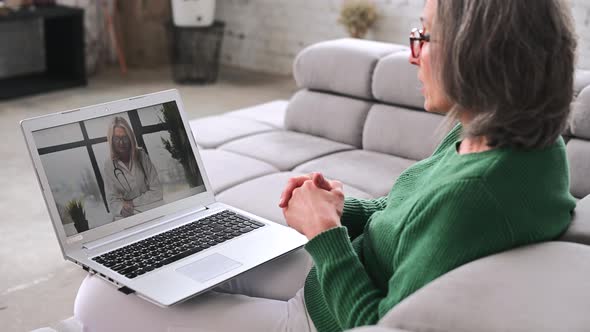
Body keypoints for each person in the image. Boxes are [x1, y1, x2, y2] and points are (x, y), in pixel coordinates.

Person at [74, 0, 578, 331]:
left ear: (479, 56)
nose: (412, 55)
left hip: (323, 315)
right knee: (143, 268)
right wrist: (343, 210)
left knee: (94, 301)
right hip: (341, 267)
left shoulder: (477, 196)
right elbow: (413, 217)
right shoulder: (511, 141)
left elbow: (374, 322)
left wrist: (324, 236)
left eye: (424, 38)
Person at [103, 116, 163, 220]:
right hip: (127, 217)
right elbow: (112, 201)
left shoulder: (141, 155)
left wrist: (131, 202)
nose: (121, 143)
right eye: (116, 138)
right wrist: (121, 208)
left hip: (150, 210)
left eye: (124, 138)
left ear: (130, 138)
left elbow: (157, 191)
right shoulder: (109, 165)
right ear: (111, 140)